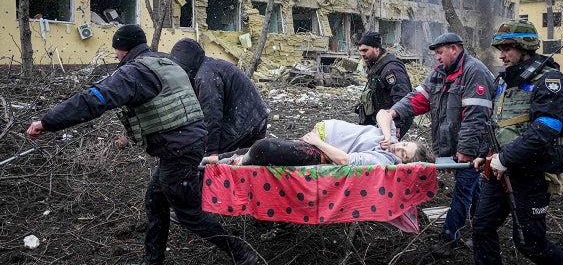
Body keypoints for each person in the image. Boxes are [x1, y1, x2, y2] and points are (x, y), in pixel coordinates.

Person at [25, 25, 257, 265]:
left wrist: (47, 122)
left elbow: (94, 99)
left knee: (189, 214)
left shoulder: (135, 73)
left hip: (179, 149)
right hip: (187, 142)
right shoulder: (163, 62)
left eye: (116, 51)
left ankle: (241, 253)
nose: (115, 56)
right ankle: (153, 259)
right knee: (155, 200)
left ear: (124, 50)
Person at [471, 20, 563, 265]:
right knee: (482, 227)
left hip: (531, 173)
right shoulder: (504, 81)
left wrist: (504, 159)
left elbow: (545, 131)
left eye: (508, 48)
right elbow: (496, 123)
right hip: (498, 170)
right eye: (500, 48)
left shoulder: (551, 81)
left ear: (525, 47)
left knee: (530, 244)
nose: (502, 54)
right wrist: (482, 153)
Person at [387, 32, 495, 257]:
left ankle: (449, 235)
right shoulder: (438, 74)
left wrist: (465, 150)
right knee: (473, 188)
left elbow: (476, 116)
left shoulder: (474, 72)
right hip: (452, 146)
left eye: (440, 53)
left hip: (474, 147)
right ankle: (482, 231)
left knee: (464, 189)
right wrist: (395, 111)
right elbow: (418, 99)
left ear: (454, 49)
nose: (436, 58)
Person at [213, 110, 430, 166]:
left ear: (404, 164)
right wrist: (385, 134)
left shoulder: (383, 160)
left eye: (403, 154)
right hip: (319, 137)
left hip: (320, 150)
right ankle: (216, 159)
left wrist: (317, 142)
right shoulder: (389, 139)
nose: (397, 149)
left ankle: (227, 164)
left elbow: (345, 160)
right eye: (403, 144)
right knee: (264, 147)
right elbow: (384, 113)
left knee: (264, 147)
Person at [170, 38, 270, 156]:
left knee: (207, 159)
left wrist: (211, 151)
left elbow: (211, 116)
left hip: (244, 122)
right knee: (247, 163)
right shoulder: (210, 66)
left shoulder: (205, 77)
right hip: (257, 116)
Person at [355, 31, 413, 139]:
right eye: (360, 51)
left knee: (386, 150)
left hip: (393, 120)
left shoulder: (391, 68)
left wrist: (397, 123)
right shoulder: (376, 66)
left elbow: (402, 96)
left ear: (377, 48)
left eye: (365, 50)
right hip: (382, 119)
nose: (362, 54)